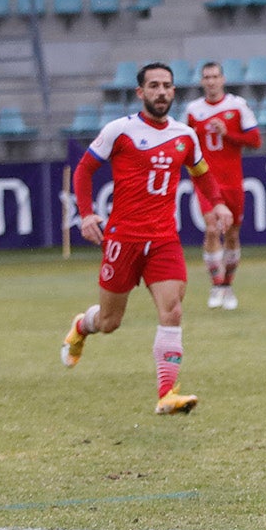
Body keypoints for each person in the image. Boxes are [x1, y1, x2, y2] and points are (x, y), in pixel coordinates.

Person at [61, 62, 233, 415]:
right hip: (122, 239)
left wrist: (217, 203)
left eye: (167, 86)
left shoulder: (185, 135)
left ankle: (167, 394)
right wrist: (87, 212)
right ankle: (82, 326)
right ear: (141, 93)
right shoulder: (119, 131)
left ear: (173, 91)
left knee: (172, 310)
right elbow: (84, 170)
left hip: (163, 239)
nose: (161, 92)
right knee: (110, 322)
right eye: (153, 86)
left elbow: (202, 174)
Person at [185, 61, 260, 310]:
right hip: (206, 180)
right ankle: (216, 285)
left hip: (232, 181)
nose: (211, 81)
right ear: (201, 81)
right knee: (210, 229)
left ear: (223, 79)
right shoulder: (193, 110)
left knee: (232, 234)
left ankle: (227, 285)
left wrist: (228, 133)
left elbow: (255, 140)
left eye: (215, 76)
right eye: (206, 77)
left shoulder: (237, 106)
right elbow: (184, 145)